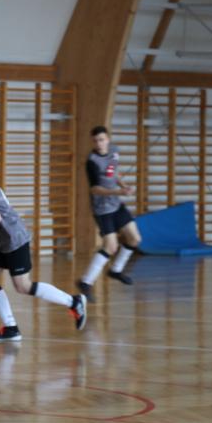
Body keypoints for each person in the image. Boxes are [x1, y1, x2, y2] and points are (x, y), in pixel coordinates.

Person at [0, 146, 87, 342]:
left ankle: (73, 302)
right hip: (2, 239)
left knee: (23, 286)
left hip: (13, 238)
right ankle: (11, 328)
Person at [77, 126, 142, 302]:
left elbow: (113, 173)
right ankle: (85, 282)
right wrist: (118, 192)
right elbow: (95, 189)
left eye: (102, 139)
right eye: (96, 141)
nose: (99, 143)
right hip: (102, 209)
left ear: (108, 139)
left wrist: (123, 185)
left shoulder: (114, 151)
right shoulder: (92, 161)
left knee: (135, 239)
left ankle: (116, 270)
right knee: (110, 247)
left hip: (117, 205)